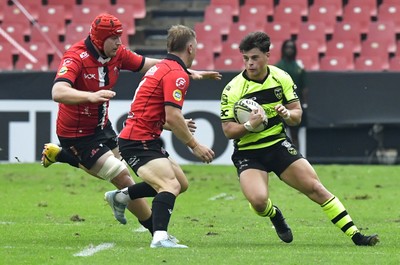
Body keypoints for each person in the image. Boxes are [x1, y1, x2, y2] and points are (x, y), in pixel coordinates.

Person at [41, 13, 221, 236]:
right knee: (120, 175)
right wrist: (89, 96)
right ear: (98, 39)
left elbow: (149, 65)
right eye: (114, 38)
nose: (119, 42)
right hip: (77, 134)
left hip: (102, 127)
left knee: (123, 172)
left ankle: (60, 155)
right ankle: (155, 230)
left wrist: (185, 69)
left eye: (120, 37)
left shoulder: (118, 54)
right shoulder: (75, 57)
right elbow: (57, 92)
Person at [219, 31, 379, 246]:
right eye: (246, 58)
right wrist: (249, 125)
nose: (250, 63)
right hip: (249, 152)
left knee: (316, 189)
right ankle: (275, 215)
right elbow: (228, 130)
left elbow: (297, 115)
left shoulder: (281, 77)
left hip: (277, 146)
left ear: (267, 55)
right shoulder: (233, 89)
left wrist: (287, 114)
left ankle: (357, 236)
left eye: (255, 57)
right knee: (258, 202)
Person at [104, 24, 215, 248]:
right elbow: (173, 117)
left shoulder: (162, 67)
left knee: (181, 183)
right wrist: (195, 146)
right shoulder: (176, 74)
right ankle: (160, 237)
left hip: (144, 137)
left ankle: (122, 196)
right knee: (170, 185)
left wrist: (177, 122)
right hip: (138, 141)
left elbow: (155, 112)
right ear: (191, 48)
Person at [275, 40, 308, 155]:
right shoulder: (278, 66)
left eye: (292, 48)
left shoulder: (299, 67)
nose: (289, 50)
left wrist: (304, 103)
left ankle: (296, 156)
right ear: (283, 49)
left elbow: (304, 86)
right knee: (279, 133)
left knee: (295, 133)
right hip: (279, 105)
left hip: (294, 104)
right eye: (287, 47)